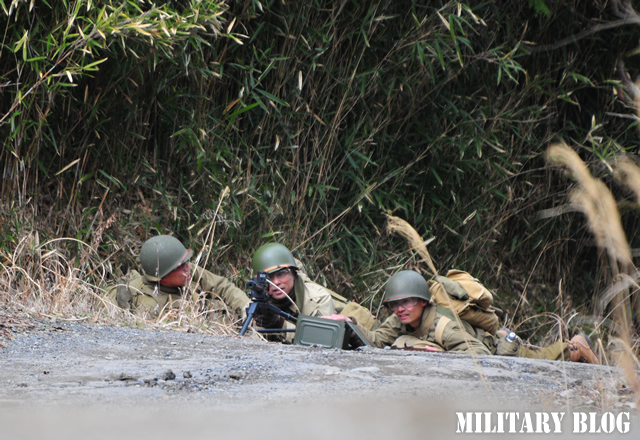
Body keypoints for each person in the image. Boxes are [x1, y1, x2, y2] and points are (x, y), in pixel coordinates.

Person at [324, 270, 599, 364]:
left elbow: (482, 360)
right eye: (395, 304)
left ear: (422, 301)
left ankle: (576, 347)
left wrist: (439, 355)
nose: (400, 309)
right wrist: (351, 324)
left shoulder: (446, 328)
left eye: (406, 302)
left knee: (539, 359)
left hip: (494, 347)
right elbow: (377, 342)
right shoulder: (400, 319)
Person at [105, 235, 250, 322]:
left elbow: (222, 286)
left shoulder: (186, 270)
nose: (188, 268)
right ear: (162, 277)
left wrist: (246, 307)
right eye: (181, 267)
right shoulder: (147, 304)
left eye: (187, 262)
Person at [248, 243, 377, 338]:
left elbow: (322, 338)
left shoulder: (318, 298)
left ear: (293, 274)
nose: (276, 282)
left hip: (368, 331)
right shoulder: (259, 299)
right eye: (269, 277)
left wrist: (280, 324)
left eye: (282, 274)